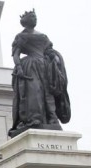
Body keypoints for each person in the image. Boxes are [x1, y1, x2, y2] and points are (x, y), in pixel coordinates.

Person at [9, 10, 70, 138]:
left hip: (45, 66)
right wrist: (19, 67)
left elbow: (49, 50)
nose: (34, 18)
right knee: (34, 92)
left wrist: (53, 56)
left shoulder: (43, 36)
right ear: (25, 21)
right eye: (32, 16)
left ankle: (52, 118)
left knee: (48, 93)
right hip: (30, 66)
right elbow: (16, 54)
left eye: (35, 16)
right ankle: (33, 119)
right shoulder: (21, 36)